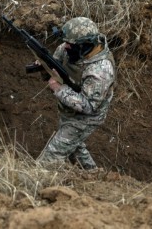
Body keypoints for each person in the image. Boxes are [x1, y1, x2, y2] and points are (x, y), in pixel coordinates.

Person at [37, 17, 115, 170]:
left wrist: (59, 89)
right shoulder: (71, 48)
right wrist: (44, 68)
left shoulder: (101, 70)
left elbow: (88, 106)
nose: (64, 46)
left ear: (84, 46)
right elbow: (55, 67)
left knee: (48, 160)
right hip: (69, 109)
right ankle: (94, 176)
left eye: (70, 44)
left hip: (87, 117)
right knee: (74, 148)